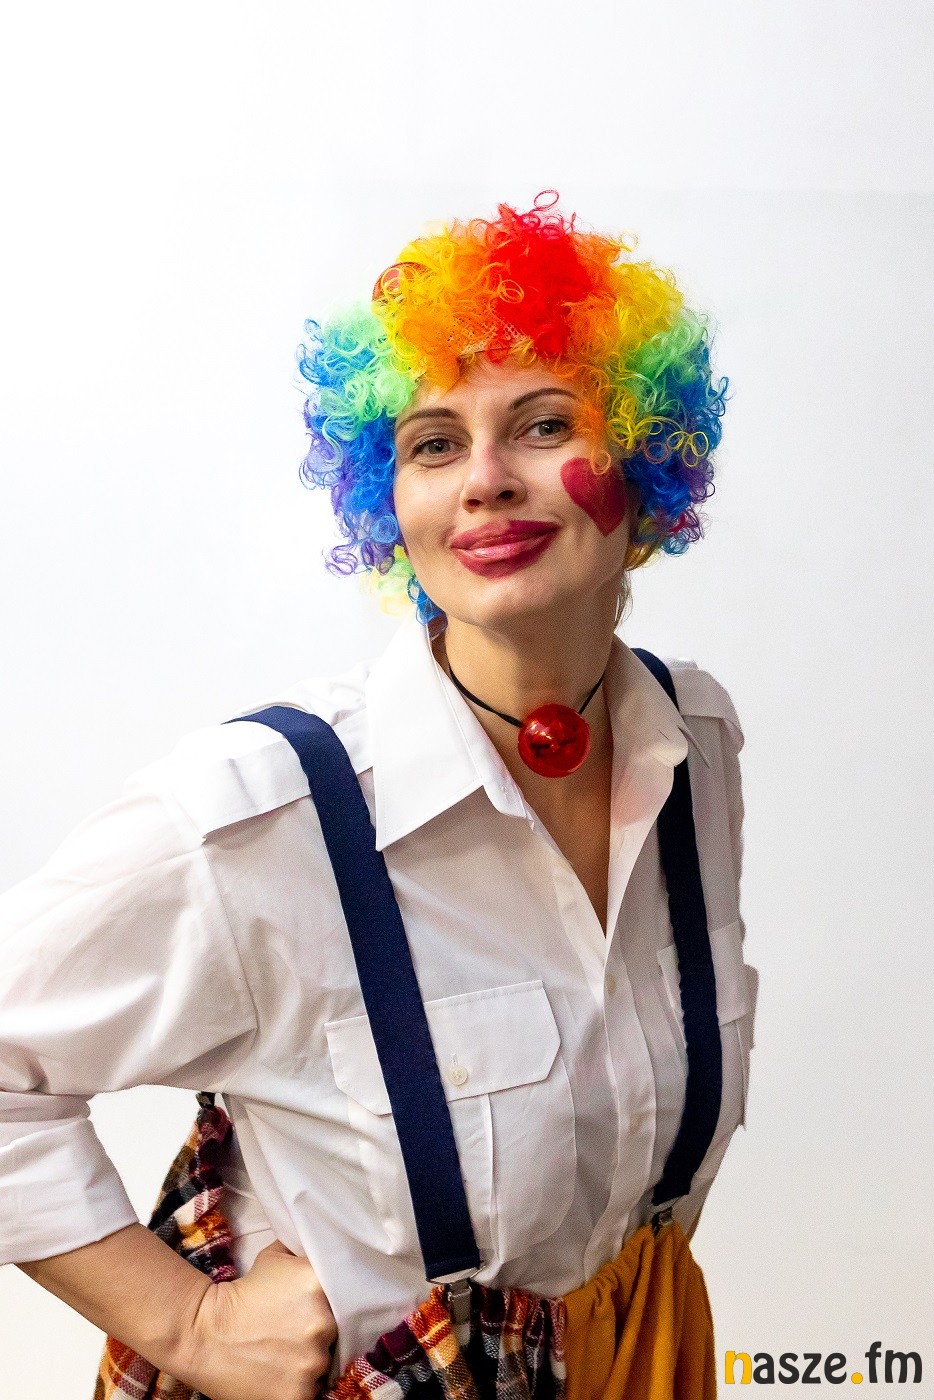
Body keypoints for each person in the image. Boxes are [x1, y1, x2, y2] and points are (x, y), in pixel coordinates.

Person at [0, 194, 756, 1399]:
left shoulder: (692, 742)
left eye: (544, 423)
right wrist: (189, 1324)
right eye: (434, 444)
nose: (485, 480)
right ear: (386, 500)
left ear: (645, 459)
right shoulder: (265, 814)